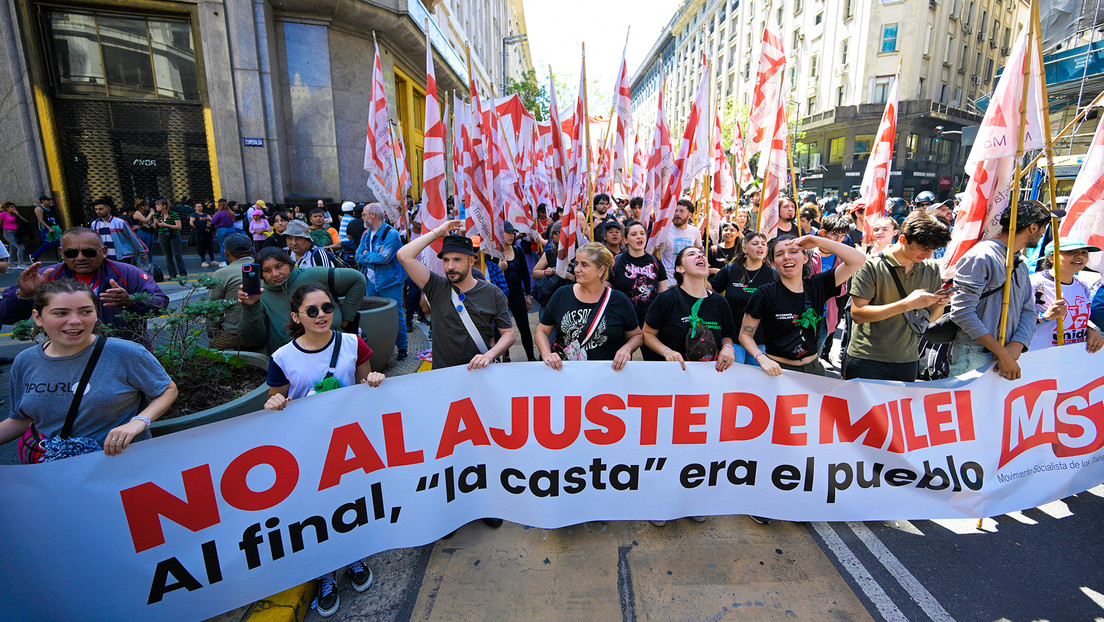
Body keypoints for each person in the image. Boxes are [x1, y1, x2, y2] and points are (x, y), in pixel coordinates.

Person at [262, 282, 382, 617]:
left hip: (349, 446)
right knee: (315, 511)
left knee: (349, 504)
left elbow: (364, 384)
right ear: (296, 316)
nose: (321, 315)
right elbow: (275, 399)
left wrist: (373, 382)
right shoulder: (282, 358)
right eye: (311, 310)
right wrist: (274, 403)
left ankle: (353, 558)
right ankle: (325, 573)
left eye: (327, 308)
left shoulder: (352, 342)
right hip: (307, 449)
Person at [0, 280, 177, 460]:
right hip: (52, 472)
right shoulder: (25, 361)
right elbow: (20, 419)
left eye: (85, 311)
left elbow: (167, 389)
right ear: (38, 317)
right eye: (61, 313)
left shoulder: (126, 353)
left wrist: (140, 422)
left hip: (120, 465)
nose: (75, 321)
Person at [0, 228, 168, 344]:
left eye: (88, 252)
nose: (80, 258)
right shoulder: (44, 276)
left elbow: (160, 303)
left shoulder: (128, 272)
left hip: (125, 355)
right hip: (69, 357)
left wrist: (130, 301)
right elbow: (6, 315)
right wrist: (24, 295)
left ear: (103, 251)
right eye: (71, 253)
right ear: (61, 253)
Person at [946, 201, 1049, 380]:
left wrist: (1016, 346)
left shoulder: (1021, 263)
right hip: (974, 354)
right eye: (1042, 228)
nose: (1042, 234)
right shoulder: (981, 256)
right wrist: (1001, 352)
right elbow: (962, 312)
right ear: (1033, 227)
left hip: (1007, 355)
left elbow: (1028, 311)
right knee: (971, 408)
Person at [845, 211, 953, 381]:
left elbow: (929, 318)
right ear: (903, 239)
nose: (928, 254)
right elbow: (857, 314)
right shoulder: (871, 265)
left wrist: (939, 303)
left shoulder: (931, 269)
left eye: (934, 249)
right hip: (867, 358)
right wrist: (907, 304)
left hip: (907, 360)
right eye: (923, 248)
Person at [396, 220, 515, 370]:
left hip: (480, 373)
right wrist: (438, 232)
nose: (450, 266)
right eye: (446, 260)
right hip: (444, 376)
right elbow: (403, 255)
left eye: (457, 260)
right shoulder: (436, 286)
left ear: (471, 260)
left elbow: (509, 334)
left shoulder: (493, 293)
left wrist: (489, 355)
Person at [741, 235, 866, 376]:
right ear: (774, 263)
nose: (787, 257)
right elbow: (745, 334)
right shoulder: (764, 294)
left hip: (812, 371)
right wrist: (761, 358)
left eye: (793, 252)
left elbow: (858, 260)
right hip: (777, 371)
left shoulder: (818, 285)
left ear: (805, 258)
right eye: (779, 254)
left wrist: (819, 241)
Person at [237, 248, 366, 354]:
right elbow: (253, 340)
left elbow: (358, 279)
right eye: (267, 270)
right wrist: (250, 307)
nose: (275, 274)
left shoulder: (315, 275)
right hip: (290, 359)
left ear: (289, 264)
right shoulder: (262, 296)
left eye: (279, 266)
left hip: (332, 348)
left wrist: (346, 319)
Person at [536, 242, 641, 369]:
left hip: (607, 376)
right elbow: (542, 330)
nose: (577, 269)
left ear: (601, 270)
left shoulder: (619, 300)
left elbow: (637, 335)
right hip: (568, 374)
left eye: (584, 265)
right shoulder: (561, 294)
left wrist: (627, 349)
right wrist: (547, 354)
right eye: (576, 264)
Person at [708, 232, 775, 366]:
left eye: (763, 244)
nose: (760, 247)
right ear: (744, 249)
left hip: (760, 341)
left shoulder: (773, 274)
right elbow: (712, 289)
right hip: (732, 339)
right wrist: (700, 274)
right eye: (755, 244)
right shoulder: (731, 269)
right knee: (732, 382)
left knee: (755, 383)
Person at [1029, 239, 1104, 353]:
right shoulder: (1034, 284)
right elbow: (1013, 322)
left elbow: (1077, 320)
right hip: (1039, 356)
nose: (1079, 256)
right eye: (1071, 252)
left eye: (1084, 253)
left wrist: (1090, 330)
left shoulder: (1082, 286)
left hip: (1071, 358)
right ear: (1051, 257)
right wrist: (1044, 317)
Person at [357, 203, 409, 360]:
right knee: (375, 315)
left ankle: (402, 348)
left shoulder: (391, 234)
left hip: (390, 282)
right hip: (371, 281)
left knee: (396, 314)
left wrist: (367, 255)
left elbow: (383, 258)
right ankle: (380, 346)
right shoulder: (366, 234)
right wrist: (371, 256)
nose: (362, 217)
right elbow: (358, 256)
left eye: (364, 214)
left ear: (373, 215)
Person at [610, 221, 668, 357]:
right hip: (623, 321)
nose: (639, 237)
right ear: (625, 239)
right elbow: (607, 291)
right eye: (634, 234)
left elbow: (663, 295)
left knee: (654, 362)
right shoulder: (616, 262)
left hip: (650, 322)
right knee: (620, 362)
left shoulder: (656, 262)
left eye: (642, 233)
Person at [208, 233, 260, 351]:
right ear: (252, 250)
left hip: (234, 333)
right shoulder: (265, 267)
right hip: (265, 330)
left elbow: (213, 309)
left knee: (209, 353)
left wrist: (212, 333)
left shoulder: (221, 274)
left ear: (226, 253)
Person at [497, 222, 537, 361]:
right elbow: (488, 277)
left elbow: (525, 274)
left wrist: (528, 295)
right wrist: (500, 268)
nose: (511, 236)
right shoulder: (493, 254)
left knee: (524, 327)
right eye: (508, 233)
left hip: (517, 295)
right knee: (501, 329)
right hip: (500, 297)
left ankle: (531, 357)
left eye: (513, 233)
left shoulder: (518, 251)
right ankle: (505, 357)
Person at [90, 197, 147, 267]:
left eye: (101, 209)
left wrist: (143, 251)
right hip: (105, 258)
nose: (98, 211)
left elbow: (133, 236)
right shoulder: (95, 224)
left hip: (121, 257)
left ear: (108, 209)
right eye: (96, 209)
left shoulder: (119, 222)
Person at [658, 199, 702, 286]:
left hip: (688, 282)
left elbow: (700, 250)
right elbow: (655, 254)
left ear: (689, 215)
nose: (677, 214)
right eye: (675, 210)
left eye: (681, 211)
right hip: (669, 282)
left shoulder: (695, 231)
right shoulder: (665, 230)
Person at [153, 199, 187, 278]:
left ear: (164, 206)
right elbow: (154, 227)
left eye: (158, 205)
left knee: (177, 255)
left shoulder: (173, 214)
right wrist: (155, 222)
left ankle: (183, 273)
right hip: (162, 235)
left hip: (174, 235)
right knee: (168, 256)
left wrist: (166, 225)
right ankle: (172, 274)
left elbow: (179, 226)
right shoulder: (157, 215)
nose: (156, 207)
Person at [30, 194, 61, 261]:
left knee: (59, 242)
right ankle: (35, 255)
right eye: (48, 200)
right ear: (43, 201)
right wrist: (49, 228)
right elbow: (40, 219)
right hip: (46, 229)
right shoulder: (39, 208)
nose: (49, 202)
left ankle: (60, 258)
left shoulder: (50, 208)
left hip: (54, 226)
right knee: (48, 243)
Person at [1, 202, 29, 268]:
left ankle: (10, 263)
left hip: (16, 233)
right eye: (11, 207)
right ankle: (21, 263)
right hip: (8, 233)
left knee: (13, 248)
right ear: (6, 208)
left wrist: (18, 215)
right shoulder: (3, 214)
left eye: (14, 207)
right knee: (21, 247)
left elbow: (26, 221)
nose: (13, 208)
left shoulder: (15, 214)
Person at [190, 201, 217, 266]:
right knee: (201, 247)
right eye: (198, 207)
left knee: (210, 246)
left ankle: (212, 260)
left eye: (201, 206)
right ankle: (203, 261)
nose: (200, 208)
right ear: (195, 208)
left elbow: (211, 220)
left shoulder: (205, 214)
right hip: (200, 233)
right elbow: (191, 223)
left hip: (207, 232)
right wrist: (198, 228)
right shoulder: (194, 215)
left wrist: (211, 223)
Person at [212, 199, 236, 266]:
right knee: (231, 245)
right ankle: (232, 260)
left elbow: (214, 221)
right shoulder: (231, 213)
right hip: (231, 229)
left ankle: (224, 261)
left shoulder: (219, 213)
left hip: (222, 229)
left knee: (223, 246)